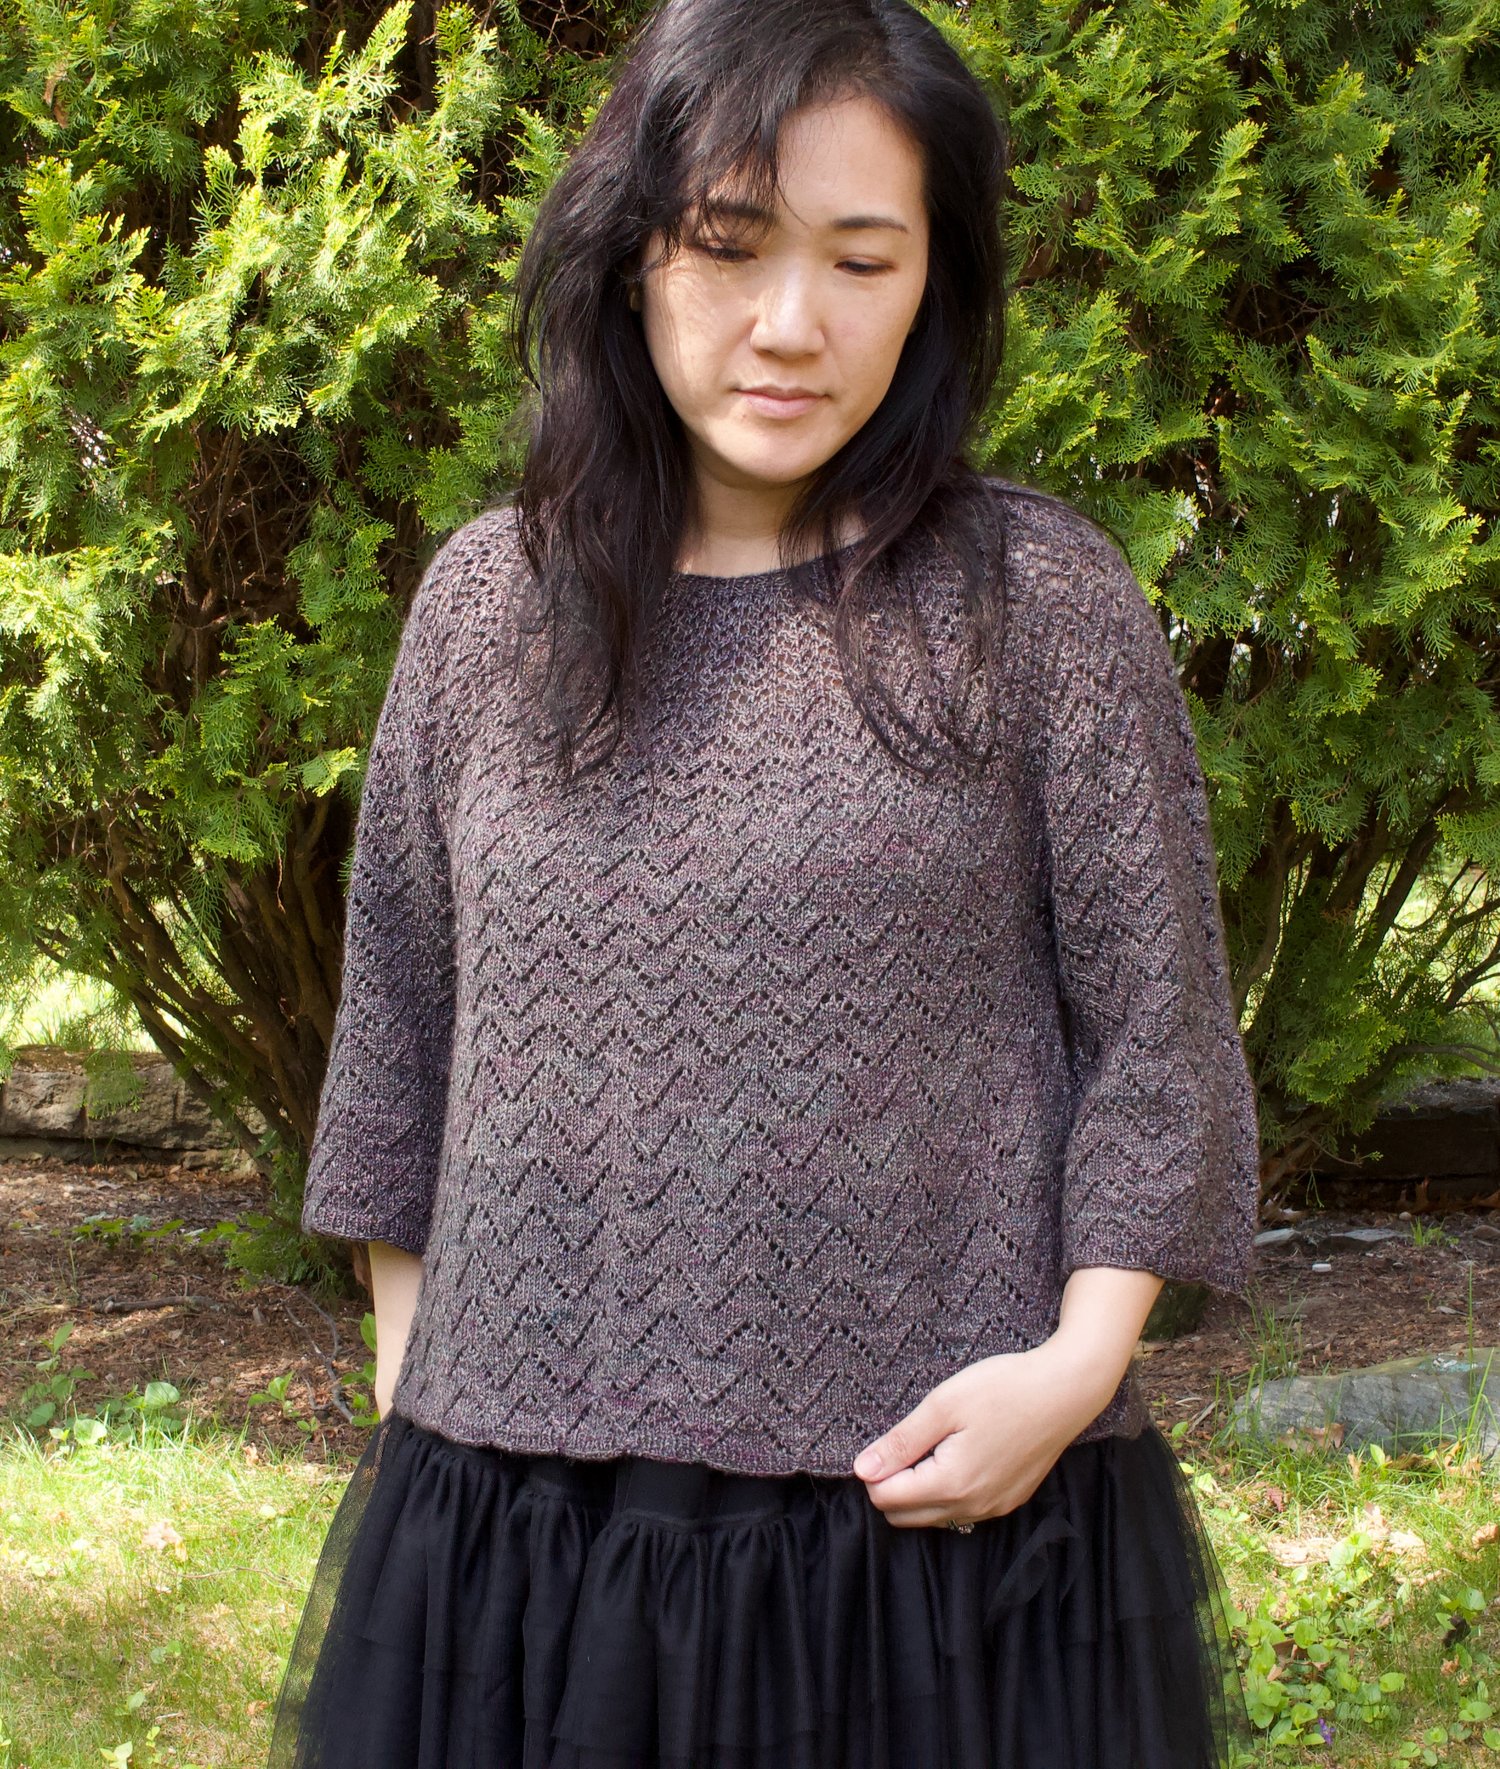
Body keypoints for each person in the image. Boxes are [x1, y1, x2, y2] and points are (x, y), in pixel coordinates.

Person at [266, 0, 1262, 1762]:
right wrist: (420, 1371)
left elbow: (1159, 1038)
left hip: (938, 1535)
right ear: (630, 254)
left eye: (862, 261)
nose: (791, 323)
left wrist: (1075, 1370)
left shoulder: (1036, 605)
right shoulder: (491, 606)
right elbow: (404, 1020)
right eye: (729, 247)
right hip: (524, 1538)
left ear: (934, 283)